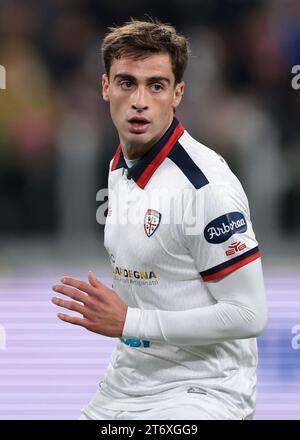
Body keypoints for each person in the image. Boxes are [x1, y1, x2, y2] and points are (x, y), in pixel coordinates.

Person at [51, 18, 268, 420]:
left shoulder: (206, 189)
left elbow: (248, 313)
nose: (139, 101)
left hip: (203, 392)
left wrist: (130, 320)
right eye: (126, 83)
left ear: (177, 93)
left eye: (156, 85)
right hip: (126, 385)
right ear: (105, 87)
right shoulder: (121, 164)